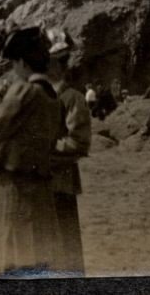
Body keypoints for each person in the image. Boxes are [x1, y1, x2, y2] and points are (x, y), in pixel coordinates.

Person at [0, 26, 63, 277]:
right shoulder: (52, 96)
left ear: (21, 62)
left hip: (14, 187)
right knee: (35, 253)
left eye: (13, 63)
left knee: (9, 252)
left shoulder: (24, 90)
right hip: (39, 186)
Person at [45, 28, 91, 275]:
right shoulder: (34, 93)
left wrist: (42, 149)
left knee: (65, 252)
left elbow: (78, 143)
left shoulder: (72, 98)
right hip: (34, 185)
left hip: (60, 183)